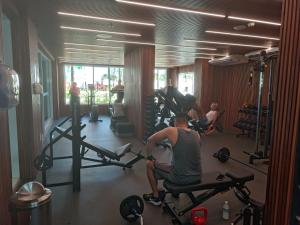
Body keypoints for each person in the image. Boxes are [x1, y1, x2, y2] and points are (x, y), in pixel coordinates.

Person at [143, 113, 202, 206]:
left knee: (149, 164)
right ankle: (176, 189)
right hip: (197, 176)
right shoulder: (196, 134)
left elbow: (150, 140)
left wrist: (149, 156)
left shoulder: (172, 130)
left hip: (180, 177)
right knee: (173, 161)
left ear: (175, 122)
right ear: (187, 123)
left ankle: (156, 197)